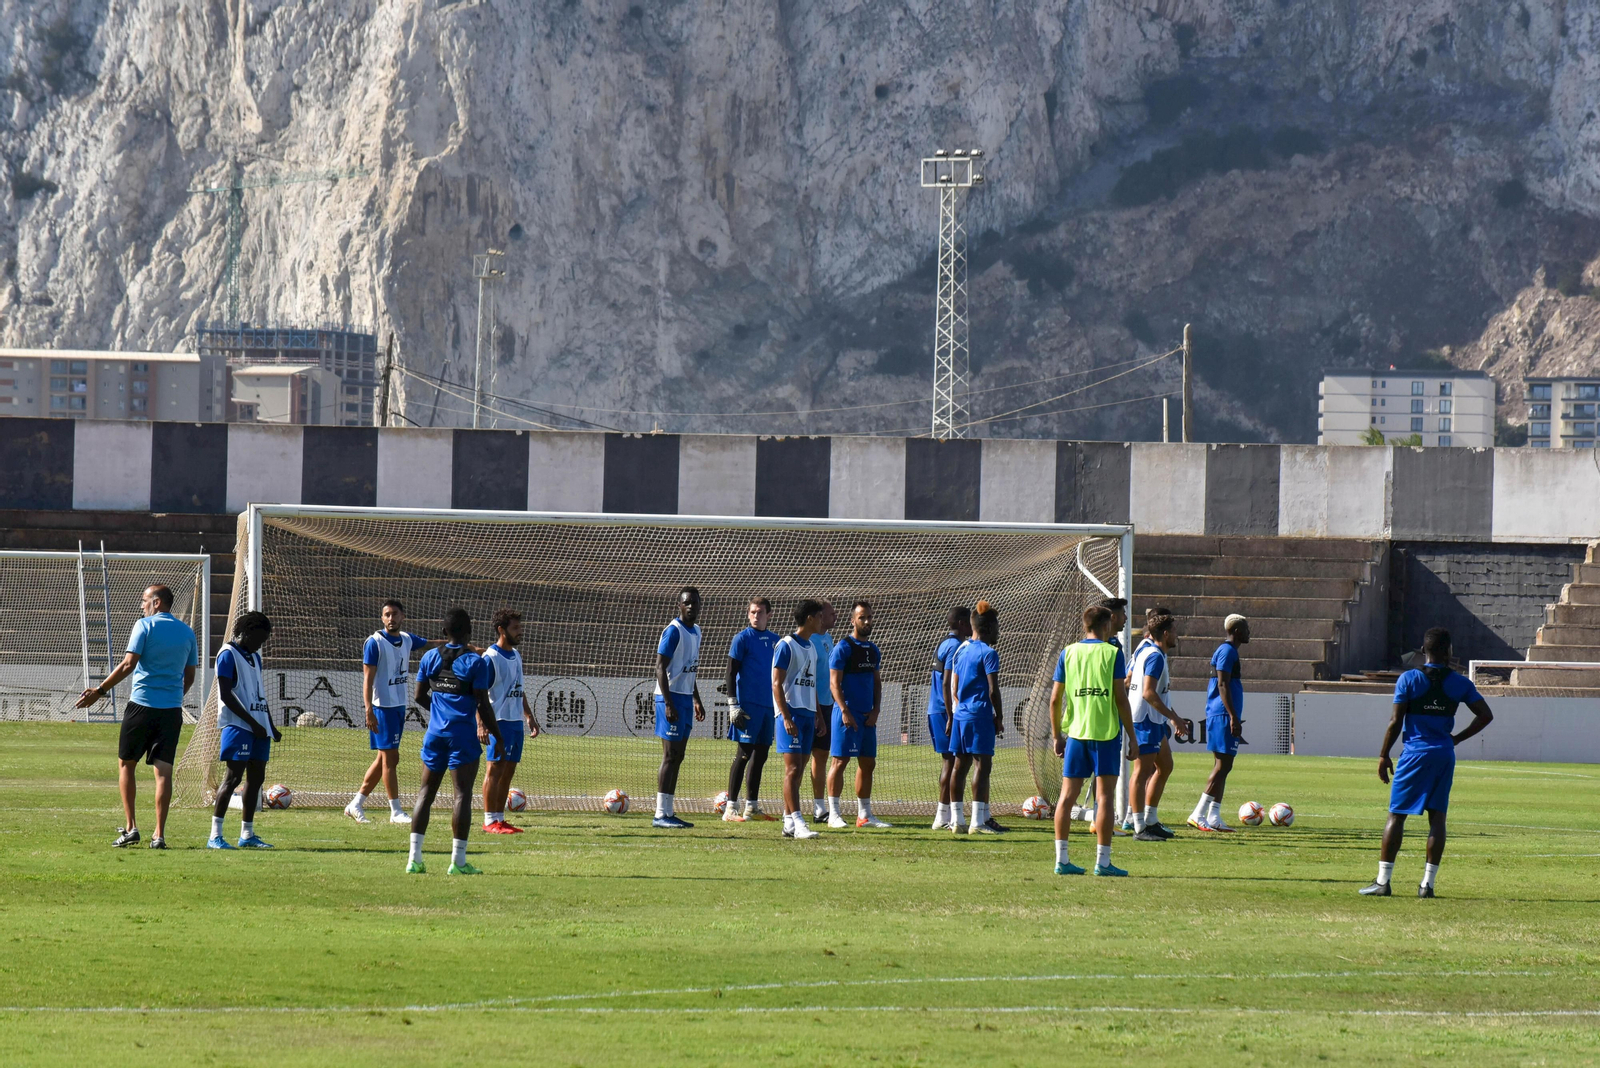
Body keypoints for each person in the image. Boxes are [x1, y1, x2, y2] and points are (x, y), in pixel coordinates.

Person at [1360, 627, 1493, 898]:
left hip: (1414, 754)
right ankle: (1427, 886)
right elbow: (1485, 715)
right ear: (1449, 652)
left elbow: (1396, 722)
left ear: (1423, 651)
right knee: (1438, 818)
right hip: (1443, 754)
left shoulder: (1408, 679)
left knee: (1397, 815)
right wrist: (1455, 739)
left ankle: (1383, 882)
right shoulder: (1461, 683)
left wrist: (1384, 755)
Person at [76, 584, 199, 849]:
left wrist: (99, 690)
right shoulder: (188, 632)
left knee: (126, 764)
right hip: (171, 711)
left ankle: (131, 828)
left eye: (144, 600)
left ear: (156, 603)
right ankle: (159, 835)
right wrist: (173, 696)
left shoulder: (144, 626)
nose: (141, 605)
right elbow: (189, 677)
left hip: (141, 707)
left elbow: (129, 664)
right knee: (163, 772)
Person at [408, 608, 499, 875]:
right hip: (462, 736)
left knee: (425, 793)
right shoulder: (476, 662)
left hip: (435, 735)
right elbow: (482, 703)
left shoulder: (429, 657)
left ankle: (414, 860)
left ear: (444, 632)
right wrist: (498, 736)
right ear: (469, 632)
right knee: (462, 795)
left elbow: (418, 696)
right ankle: (458, 862)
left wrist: (439, 714)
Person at [1049, 605, 1139, 876]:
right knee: (1105, 797)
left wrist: (1056, 735)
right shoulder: (1112, 653)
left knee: (1066, 798)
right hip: (1105, 734)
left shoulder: (1068, 652)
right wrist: (1132, 737)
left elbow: (1054, 699)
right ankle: (1103, 862)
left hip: (1076, 734)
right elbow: (1121, 699)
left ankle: (1062, 860)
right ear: (1107, 626)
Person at [346, 600, 448, 824]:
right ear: (382, 618)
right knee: (391, 760)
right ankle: (396, 811)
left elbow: (431, 644)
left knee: (384, 757)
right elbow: (367, 680)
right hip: (382, 708)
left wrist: (457, 644)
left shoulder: (407, 639)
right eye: (386, 615)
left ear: (403, 617)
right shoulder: (374, 643)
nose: (391, 618)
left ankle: (356, 804)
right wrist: (369, 710)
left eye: (394, 614)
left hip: (398, 707)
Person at [208, 612, 278, 849]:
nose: (261, 644)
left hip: (259, 727)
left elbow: (258, 694)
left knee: (256, 779)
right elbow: (226, 695)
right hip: (238, 725)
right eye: (260, 638)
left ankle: (247, 835)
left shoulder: (255, 658)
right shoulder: (228, 655)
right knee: (233, 777)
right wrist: (253, 723)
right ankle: (215, 835)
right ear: (247, 632)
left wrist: (269, 724)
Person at [1127, 613, 1192, 841]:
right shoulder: (1154, 656)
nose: (1177, 635)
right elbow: (1148, 692)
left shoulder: (1148, 651)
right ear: (1165, 634)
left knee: (1165, 765)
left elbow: (1129, 680)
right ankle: (1138, 826)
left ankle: (1151, 820)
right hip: (1144, 720)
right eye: (1174, 631)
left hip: (1153, 720)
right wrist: (1174, 717)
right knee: (1142, 772)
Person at [945, 600, 1007, 835]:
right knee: (982, 766)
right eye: (997, 626)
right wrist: (999, 716)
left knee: (959, 767)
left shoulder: (961, 649)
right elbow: (993, 690)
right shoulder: (989, 653)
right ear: (988, 627)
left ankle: (957, 820)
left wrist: (954, 713)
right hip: (980, 714)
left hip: (961, 714)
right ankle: (977, 822)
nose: (999, 630)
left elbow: (954, 684)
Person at [827, 600, 890, 829]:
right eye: (862, 617)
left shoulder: (873, 650)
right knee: (840, 762)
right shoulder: (843, 647)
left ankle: (864, 816)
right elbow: (834, 684)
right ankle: (833, 814)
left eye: (869, 617)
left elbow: (877, 683)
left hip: (867, 717)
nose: (866, 621)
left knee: (868, 763)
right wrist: (844, 710)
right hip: (847, 715)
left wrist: (876, 710)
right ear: (852, 620)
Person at [1188, 613, 1250, 833]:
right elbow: (1222, 684)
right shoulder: (1226, 651)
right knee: (1222, 765)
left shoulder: (1230, 652)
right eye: (1245, 628)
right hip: (1222, 715)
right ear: (1236, 631)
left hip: (1224, 714)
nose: (1249, 632)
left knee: (1224, 766)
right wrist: (1233, 715)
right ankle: (1198, 813)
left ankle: (1214, 815)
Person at [481, 608, 540, 835]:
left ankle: (500, 819)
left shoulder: (516, 656)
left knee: (508, 773)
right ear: (501, 630)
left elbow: (519, 688)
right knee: (494, 771)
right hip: (498, 721)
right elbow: (479, 694)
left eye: (520, 627)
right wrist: (481, 723)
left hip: (515, 722)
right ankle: (488, 821)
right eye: (515, 628)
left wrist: (528, 716)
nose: (520, 632)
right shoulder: (490, 658)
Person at [653, 587, 706, 829]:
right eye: (687, 603)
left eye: (694, 602)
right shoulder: (673, 631)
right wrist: (668, 703)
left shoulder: (696, 631)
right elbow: (660, 668)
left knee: (679, 756)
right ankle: (660, 814)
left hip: (685, 697)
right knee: (670, 755)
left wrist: (696, 699)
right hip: (670, 698)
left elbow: (690, 669)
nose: (691, 606)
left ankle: (669, 811)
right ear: (679, 605)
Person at [723, 596, 779, 822]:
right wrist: (732, 704)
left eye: (760, 612)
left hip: (768, 707)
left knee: (761, 755)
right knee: (743, 754)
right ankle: (730, 808)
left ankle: (751, 807)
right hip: (747, 707)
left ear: (769, 615)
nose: (756, 616)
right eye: (753, 612)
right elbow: (730, 672)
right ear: (748, 614)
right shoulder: (742, 639)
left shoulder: (776, 641)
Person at [773, 599, 825, 839]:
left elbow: (812, 685)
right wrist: (785, 716)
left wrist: (819, 716)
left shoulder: (812, 647)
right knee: (792, 770)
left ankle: (788, 822)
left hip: (808, 715)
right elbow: (776, 683)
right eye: (820, 616)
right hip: (791, 713)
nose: (823, 621)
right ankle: (799, 822)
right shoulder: (786, 645)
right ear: (810, 619)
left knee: (800, 770)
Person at [927, 606, 972, 830]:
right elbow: (947, 683)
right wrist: (951, 715)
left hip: (935, 709)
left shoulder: (944, 643)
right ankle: (944, 816)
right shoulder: (956, 646)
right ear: (963, 623)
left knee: (950, 762)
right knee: (953, 763)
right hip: (945, 711)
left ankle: (943, 815)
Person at [808, 600, 837, 824]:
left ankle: (819, 809)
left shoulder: (828, 638)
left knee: (821, 756)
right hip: (809, 706)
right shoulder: (809, 640)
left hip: (827, 706)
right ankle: (791, 810)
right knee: (798, 760)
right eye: (830, 613)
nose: (834, 616)